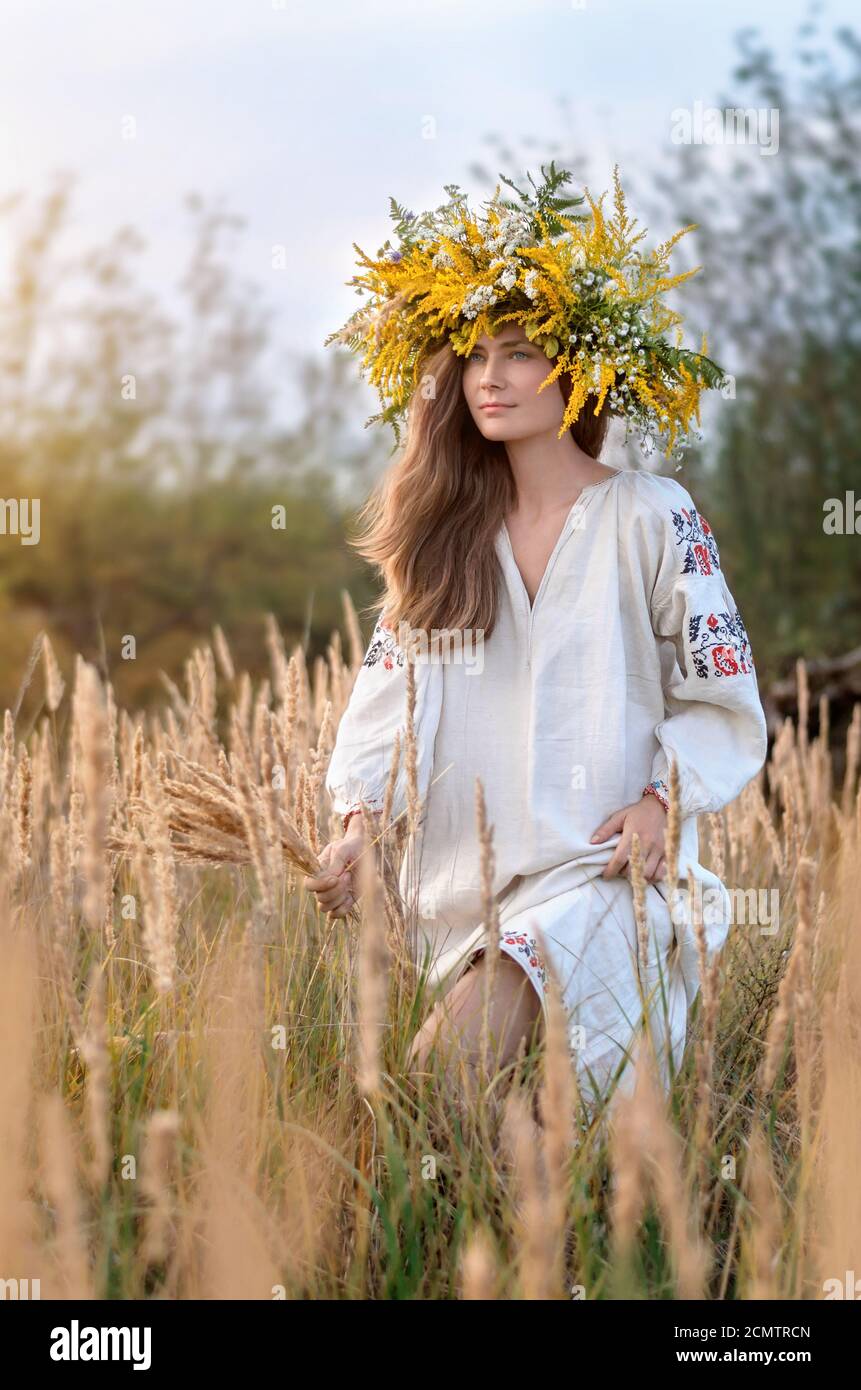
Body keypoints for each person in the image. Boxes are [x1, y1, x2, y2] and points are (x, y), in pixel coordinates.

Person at [304, 165, 768, 1117]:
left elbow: (720, 686)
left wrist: (658, 799)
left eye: (517, 352)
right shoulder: (445, 539)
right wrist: (356, 825)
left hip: (600, 875)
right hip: (462, 897)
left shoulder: (650, 515)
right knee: (479, 1128)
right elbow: (384, 704)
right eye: (473, 357)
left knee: (436, 1083)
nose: (489, 378)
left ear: (586, 365)